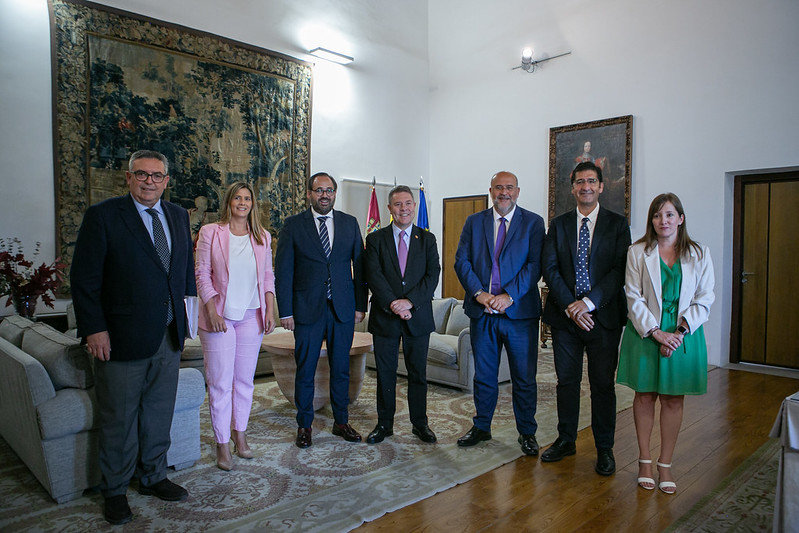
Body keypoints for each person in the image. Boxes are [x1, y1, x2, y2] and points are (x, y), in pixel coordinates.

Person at [71, 150, 196, 525]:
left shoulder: (177, 215)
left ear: (166, 181)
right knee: (119, 418)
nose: (149, 182)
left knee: (159, 412)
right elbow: (84, 280)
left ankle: (153, 475)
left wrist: (185, 322)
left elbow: (183, 272)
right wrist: (94, 329)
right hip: (121, 337)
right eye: (141, 174)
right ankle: (115, 490)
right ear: (129, 178)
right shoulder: (104, 216)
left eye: (157, 176)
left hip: (168, 334)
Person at [617, 193, 714, 494]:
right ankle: (645, 460)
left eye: (670, 215)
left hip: (684, 336)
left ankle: (666, 464)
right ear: (652, 221)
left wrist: (679, 333)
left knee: (673, 399)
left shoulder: (699, 253)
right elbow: (633, 297)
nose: (663, 221)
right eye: (658, 216)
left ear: (681, 218)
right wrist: (657, 333)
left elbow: (705, 297)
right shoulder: (638, 252)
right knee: (645, 396)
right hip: (645, 334)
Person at [540, 160, 630, 476]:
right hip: (565, 319)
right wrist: (572, 306)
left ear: (601, 186)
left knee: (602, 384)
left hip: (603, 319)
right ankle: (566, 440)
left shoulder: (618, 225)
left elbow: (619, 270)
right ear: (573, 186)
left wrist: (589, 303)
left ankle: (604, 449)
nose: (586, 187)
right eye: (580, 181)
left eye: (591, 181)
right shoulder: (559, 224)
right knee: (566, 382)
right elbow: (549, 268)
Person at [454, 171, 545, 456]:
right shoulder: (474, 222)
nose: (504, 192)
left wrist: (508, 296)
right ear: (490, 190)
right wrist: (480, 294)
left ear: (518, 191)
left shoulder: (533, 222)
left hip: (519, 315)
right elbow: (462, 261)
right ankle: (482, 426)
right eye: (498, 188)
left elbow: (534, 265)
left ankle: (527, 432)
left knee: (524, 377)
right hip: (483, 313)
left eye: (509, 188)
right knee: (484, 376)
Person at [275, 172, 368, 448]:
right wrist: (286, 312)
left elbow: (360, 268)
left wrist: (361, 305)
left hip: (342, 309)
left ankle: (341, 422)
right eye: (318, 190)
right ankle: (304, 425)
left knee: (341, 368)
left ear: (335, 194)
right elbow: (283, 272)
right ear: (309, 194)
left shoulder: (349, 224)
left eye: (329, 190)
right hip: (306, 310)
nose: (324, 195)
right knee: (305, 369)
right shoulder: (293, 226)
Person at [195, 182, 276, 471]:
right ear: (229, 202)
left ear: (253, 203)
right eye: (237, 198)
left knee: (244, 381)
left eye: (247, 198)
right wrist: (212, 308)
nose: (242, 202)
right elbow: (201, 273)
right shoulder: (211, 232)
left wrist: (270, 309)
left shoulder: (262, 236)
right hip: (220, 318)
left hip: (252, 316)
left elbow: (268, 276)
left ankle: (239, 434)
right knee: (219, 383)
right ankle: (222, 443)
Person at [363, 185, 441, 444]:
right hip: (385, 317)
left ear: (414, 207)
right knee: (385, 374)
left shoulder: (427, 239)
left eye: (408, 203)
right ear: (389, 208)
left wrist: (409, 303)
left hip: (417, 317)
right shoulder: (375, 239)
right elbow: (373, 275)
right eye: (398, 204)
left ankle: (420, 424)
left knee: (418, 373)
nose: (404, 208)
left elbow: (432, 276)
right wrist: (394, 304)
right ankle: (384, 425)